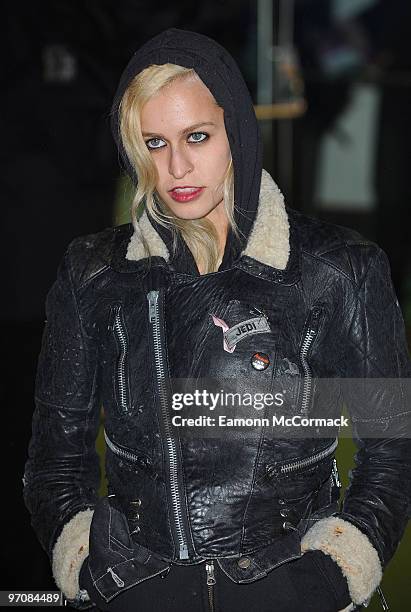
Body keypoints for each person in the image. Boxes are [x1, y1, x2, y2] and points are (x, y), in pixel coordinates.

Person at [23, 28, 411, 612]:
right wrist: (87, 565)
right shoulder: (94, 274)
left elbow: (392, 448)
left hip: (287, 589)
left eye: (197, 136)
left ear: (237, 133)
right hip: (136, 589)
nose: (176, 166)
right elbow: (57, 458)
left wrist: (327, 577)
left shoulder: (340, 270)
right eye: (154, 142)